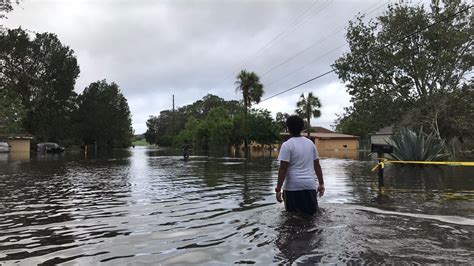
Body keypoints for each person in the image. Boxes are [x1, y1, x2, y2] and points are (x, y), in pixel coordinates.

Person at [275, 115, 325, 215]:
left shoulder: (287, 145)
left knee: (292, 218)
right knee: (312, 217)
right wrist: (321, 184)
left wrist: (278, 189)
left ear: (288, 128)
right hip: (310, 186)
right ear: (302, 127)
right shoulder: (310, 143)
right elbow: (317, 166)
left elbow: (283, 168)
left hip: (292, 187)